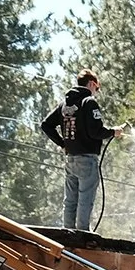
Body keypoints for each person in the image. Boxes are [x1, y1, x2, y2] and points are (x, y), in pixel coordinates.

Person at [40, 70, 114, 230]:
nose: (96, 92)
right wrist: (114, 132)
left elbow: (46, 125)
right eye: (97, 88)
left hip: (70, 160)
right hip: (87, 160)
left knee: (70, 201)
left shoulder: (64, 105)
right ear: (92, 84)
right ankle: (82, 235)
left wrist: (63, 144)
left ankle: (67, 233)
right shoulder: (89, 102)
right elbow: (96, 132)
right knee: (85, 199)